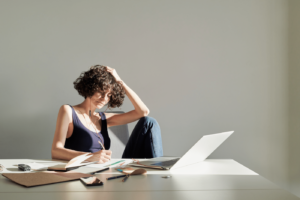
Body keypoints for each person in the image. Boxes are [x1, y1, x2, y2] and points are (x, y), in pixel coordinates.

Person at [51, 65, 163, 163]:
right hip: (82, 172)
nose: (105, 99)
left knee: (149, 122)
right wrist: (90, 157)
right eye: (101, 92)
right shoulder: (68, 111)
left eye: (109, 95)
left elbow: (143, 112)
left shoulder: (103, 119)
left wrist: (120, 81)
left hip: (107, 169)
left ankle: (160, 169)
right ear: (90, 88)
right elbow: (55, 151)